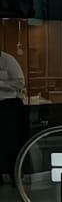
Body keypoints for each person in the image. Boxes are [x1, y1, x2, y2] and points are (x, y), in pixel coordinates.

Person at [0, 49, 23, 184]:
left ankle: (15, 175)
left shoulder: (9, 60)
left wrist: (1, 84)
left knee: (11, 142)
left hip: (8, 106)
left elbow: (20, 84)